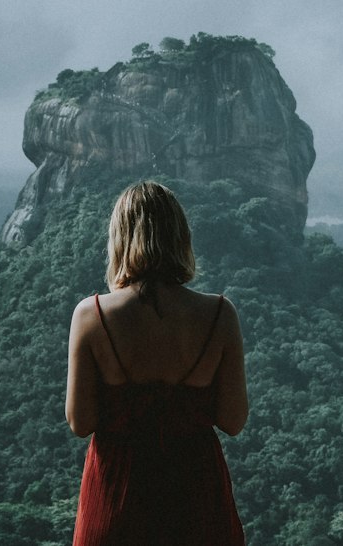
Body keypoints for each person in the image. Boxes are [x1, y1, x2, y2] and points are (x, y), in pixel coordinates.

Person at [66, 181, 248, 545]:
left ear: (119, 239)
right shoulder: (219, 315)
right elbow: (233, 420)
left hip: (119, 493)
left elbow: (81, 422)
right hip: (196, 495)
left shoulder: (92, 315)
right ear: (180, 237)